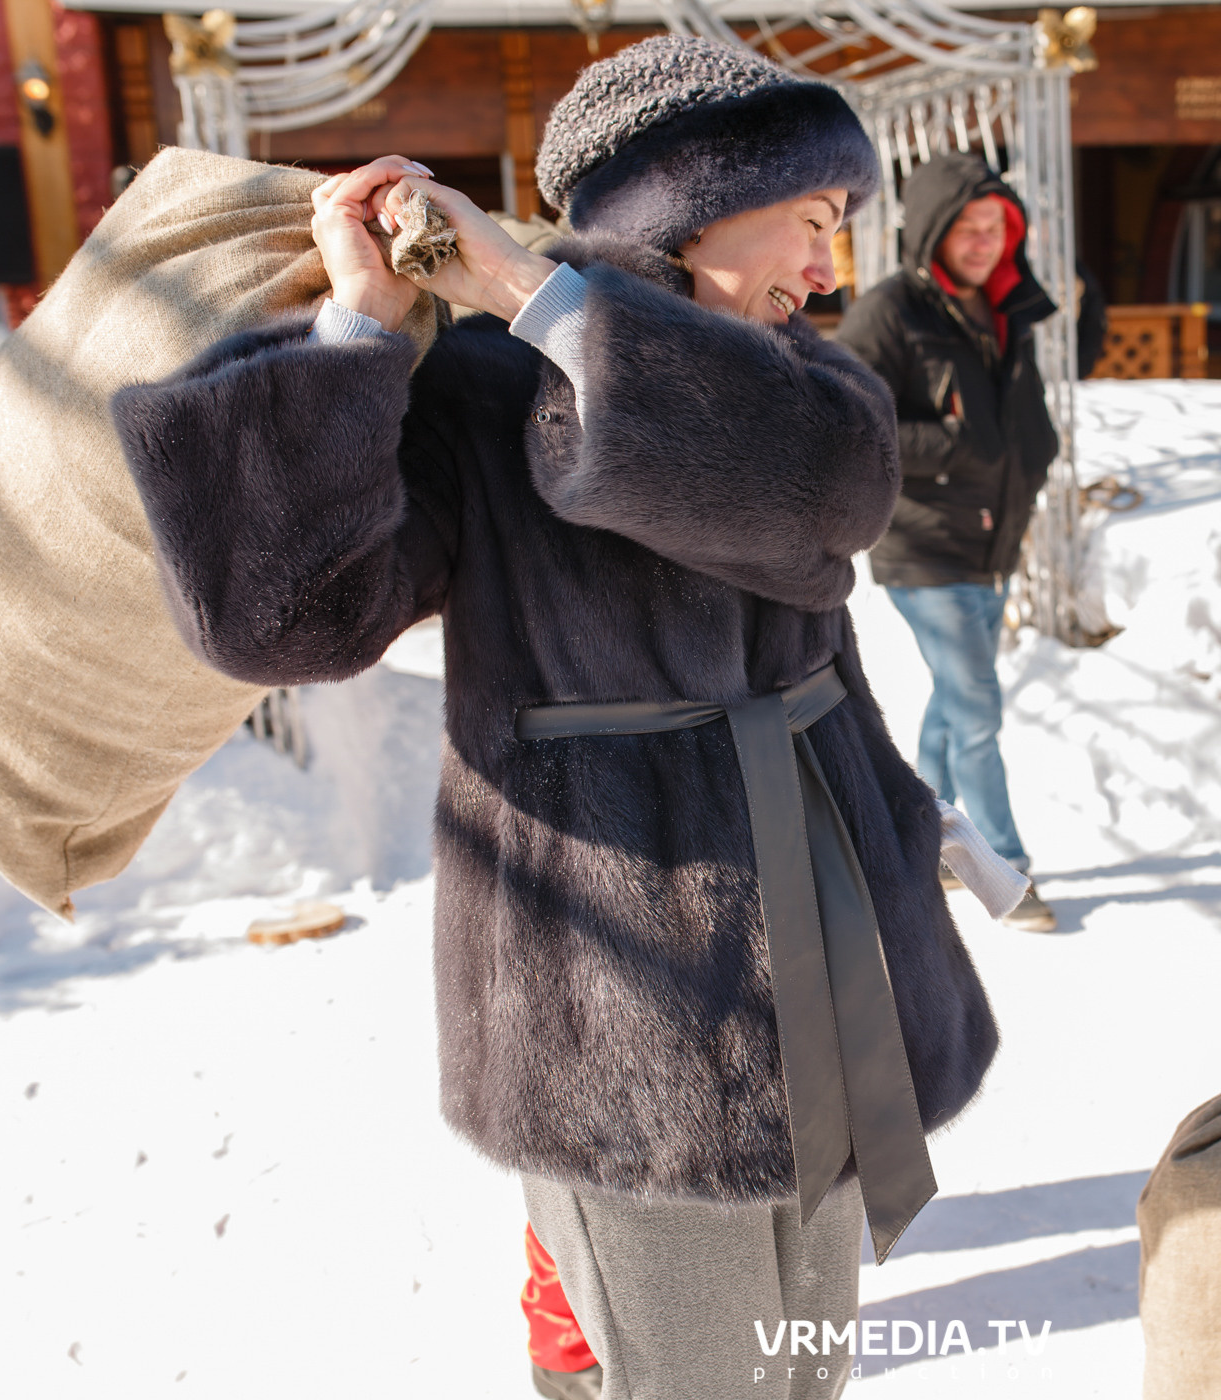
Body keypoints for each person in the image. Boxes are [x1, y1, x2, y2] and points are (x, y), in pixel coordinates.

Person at [112, 35, 1026, 1398]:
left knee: (807, 1363)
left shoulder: (810, 391)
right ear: (694, 205)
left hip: (831, 940)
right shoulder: (481, 395)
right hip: (620, 989)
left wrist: (542, 301)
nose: (831, 266)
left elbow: (832, 494)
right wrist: (361, 334)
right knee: (695, 1379)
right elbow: (279, 618)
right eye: (813, 217)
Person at [836, 152, 1060, 932]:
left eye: (995, 226)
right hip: (924, 544)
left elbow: (1016, 419)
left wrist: (1035, 450)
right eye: (968, 227)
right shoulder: (890, 312)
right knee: (977, 708)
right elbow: (849, 416)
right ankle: (1007, 867)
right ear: (932, 229)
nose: (984, 242)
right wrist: (952, 444)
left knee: (954, 704)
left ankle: (922, 841)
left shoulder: (999, 308)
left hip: (991, 542)